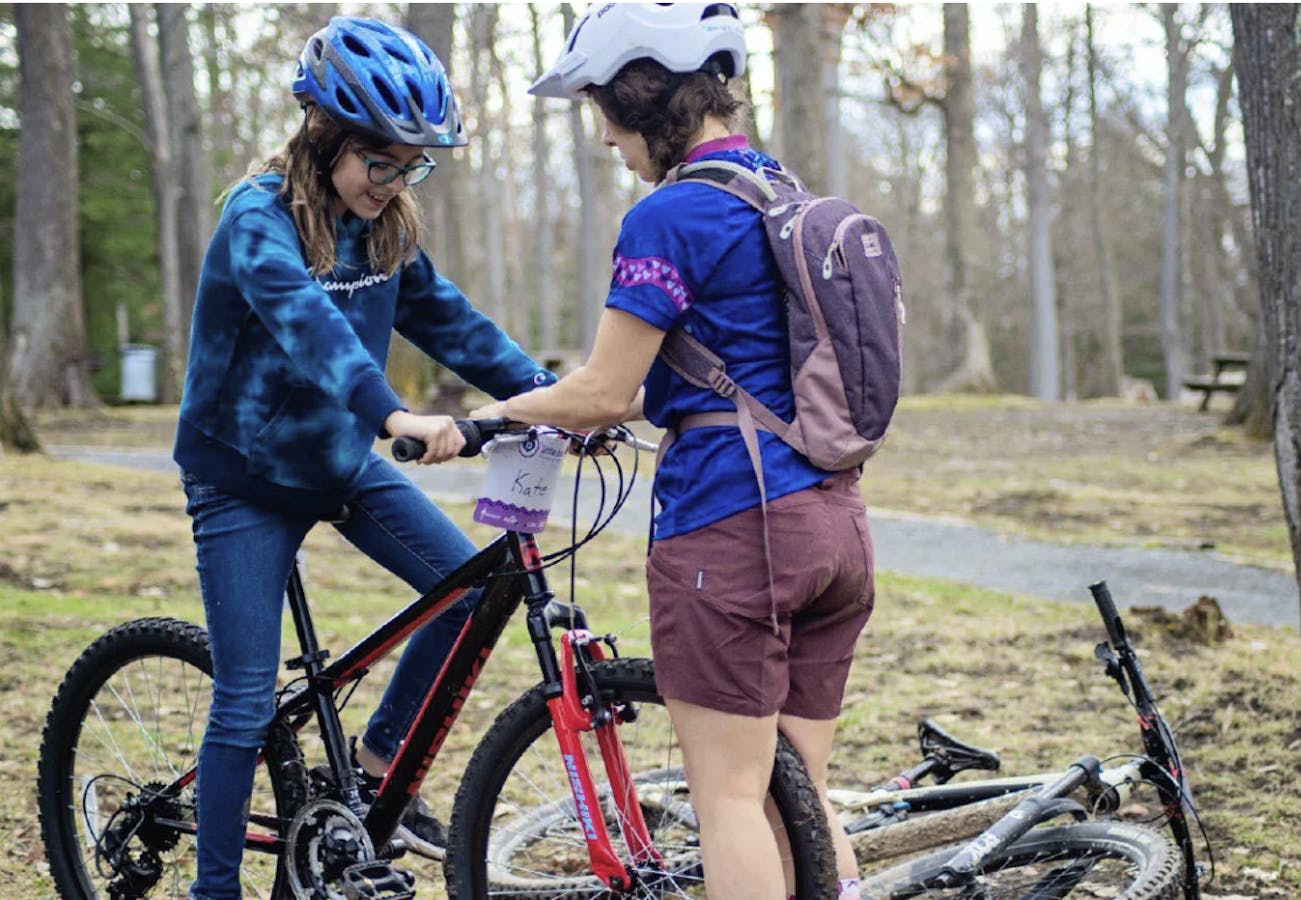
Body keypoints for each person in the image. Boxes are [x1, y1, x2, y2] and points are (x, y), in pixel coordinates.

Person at [473, 5, 873, 898]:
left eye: (607, 116)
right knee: (796, 798)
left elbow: (602, 391)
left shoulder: (673, 214)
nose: (609, 140)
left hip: (736, 530)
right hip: (836, 527)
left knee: (730, 796)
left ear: (644, 95)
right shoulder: (786, 195)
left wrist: (477, 421)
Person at [173, 17, 555, 899]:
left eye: (411, 164)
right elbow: (307, 328)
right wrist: (393, 414)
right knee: (244, 703)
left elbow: (454, 323)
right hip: (245, 480)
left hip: (339, 463)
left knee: (465, 590)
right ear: (325, 138)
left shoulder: (385, 230)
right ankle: (214, 890)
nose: (392, 181)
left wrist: (552, 395)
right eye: (379, 161)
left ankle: (379, 769)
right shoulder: (257, 218)